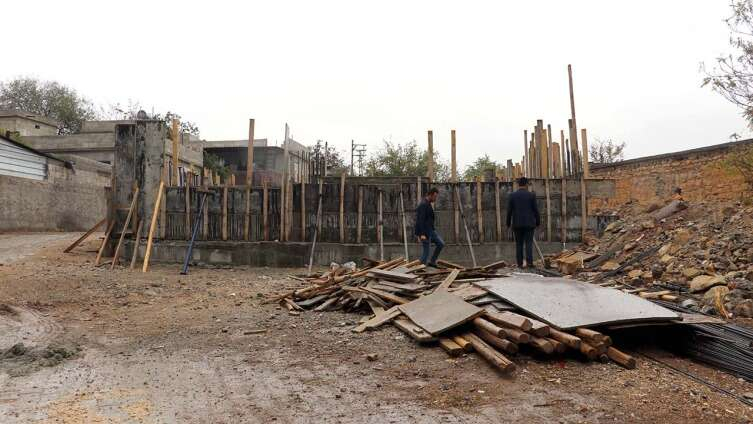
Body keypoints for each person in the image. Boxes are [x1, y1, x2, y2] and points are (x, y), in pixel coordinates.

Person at [506, 177, 540, 268]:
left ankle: (520, 264)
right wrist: (538, 222)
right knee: (528, 243)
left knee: (519, 244)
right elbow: (535, 210)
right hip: (529, 224)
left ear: (518, 184)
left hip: (517, 224)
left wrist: (508, 223)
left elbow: (509, 211)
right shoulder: (531, 195)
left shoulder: (512, 195)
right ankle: (529, 263)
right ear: (526, 184)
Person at [415, 187, 444, 267]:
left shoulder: (428, 204)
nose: (435, 199)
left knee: (440, 243)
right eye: (435, 196)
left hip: (430, 231)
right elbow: (420, 220)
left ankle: (432, 261)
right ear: (430, 195)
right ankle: (420, 268)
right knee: (426, 252)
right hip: (424, 232)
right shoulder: (423, 205)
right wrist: (422, 234)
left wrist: (432, 229)